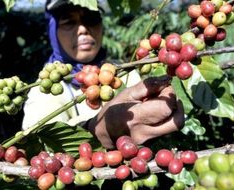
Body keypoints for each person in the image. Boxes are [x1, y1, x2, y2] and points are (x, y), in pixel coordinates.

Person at [22, 0, 184, 149]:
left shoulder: (124, 72)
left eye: (91, 19)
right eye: (69, 22)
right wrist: (96, 129)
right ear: (52, 30)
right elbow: (43, 147)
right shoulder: (44, 91)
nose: (83, 29)